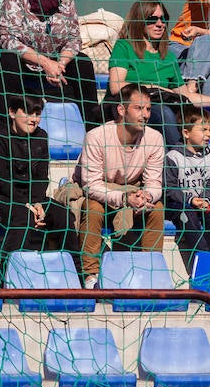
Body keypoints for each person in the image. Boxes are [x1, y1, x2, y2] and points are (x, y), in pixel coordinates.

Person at [0, 0, 102, 127]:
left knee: (83, 64)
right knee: (9, 61)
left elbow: (74, 38)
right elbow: (8, 40)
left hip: (53, 59)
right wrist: (46, 63)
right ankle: (4, 128)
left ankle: (94, 129)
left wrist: (60, 64)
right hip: (19, 58)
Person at [71, 84, 166, 285]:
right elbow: (90, 185)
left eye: (148, 109)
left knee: (156, 209)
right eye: (139, 108)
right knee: (93, 208)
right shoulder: (96, 136)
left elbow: (155, 183)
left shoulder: (155, 138)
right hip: (98, 194)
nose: (145, 115)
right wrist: (124, 198)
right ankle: (91, 275)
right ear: (122, 110)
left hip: (133, 192)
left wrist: (146, 197)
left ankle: (151, 273)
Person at [107, 0, 210, 144]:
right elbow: (116, 87)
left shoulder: (168, 57)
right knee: (165, 113)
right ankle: (180, 158)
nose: (159, 24)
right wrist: (153, 89)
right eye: (152, 19)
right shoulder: (124, 46)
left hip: (158, 108)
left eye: (163, 19)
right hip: (129, 108)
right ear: (139, 21)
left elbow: (186, 95)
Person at [0, 95, 74, 286]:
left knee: (63, 215)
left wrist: (38, 203)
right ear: (12, 113)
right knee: (23, 217)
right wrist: (29, 206)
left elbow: (41, 178)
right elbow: (0, 182)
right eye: (29, 113)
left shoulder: (41, 137)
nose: (34, 119)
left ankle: (75, 277)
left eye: (38, 114)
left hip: (33, 198)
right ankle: (3, 282)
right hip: (1, 197)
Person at [164, 108, 210, 273]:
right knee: (187, 215)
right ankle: (205, 264)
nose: (209, 134)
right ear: (186, 133)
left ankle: (206, 260)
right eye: (203, 130)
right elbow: (169, 188)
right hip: (179, 205)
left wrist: (205, 199)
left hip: (203, 203)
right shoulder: (172, 157)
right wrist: (190, 200)